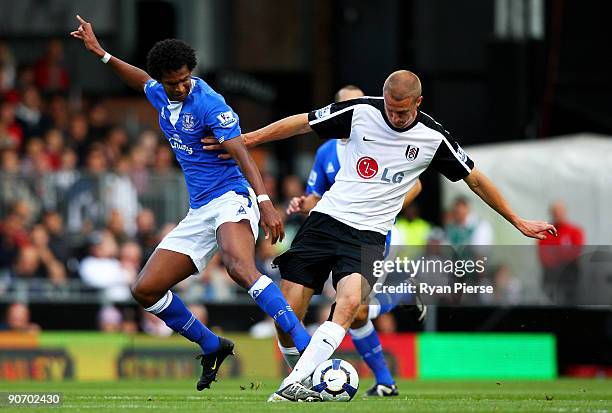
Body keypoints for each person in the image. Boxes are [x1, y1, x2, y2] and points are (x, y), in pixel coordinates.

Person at [205, 70, 557, 402]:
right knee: (286, 318)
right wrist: (248, 139)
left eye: (402, 111)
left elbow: (476, 179)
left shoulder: (434, 138)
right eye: (390, 107)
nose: (394, 116)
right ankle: (306, 376)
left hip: (368, 238)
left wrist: (516, 220)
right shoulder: (361, 111)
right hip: (325, 222)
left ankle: (292, 385)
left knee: (346, 307)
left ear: (418, 103)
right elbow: (302, 122)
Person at [70, 15, 311, 391]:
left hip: (232, 197)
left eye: (186, 78)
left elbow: (243, 155)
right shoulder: (160, 93)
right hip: (200, 210)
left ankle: (306, 345)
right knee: (144, 290)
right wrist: (101, 53)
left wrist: (265, 201)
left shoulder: (209, 103)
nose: (181, 86)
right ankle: (212, 345)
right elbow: (140, 79)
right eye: (173, 82)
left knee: (239, 267)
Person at [285, 85, 422, 397]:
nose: (356, 111)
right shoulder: (325, 152)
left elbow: (416, 185)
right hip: (334, 234)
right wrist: (301, 203)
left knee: (349, 308)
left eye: (360, 103)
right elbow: (315, 196)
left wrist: (388, 204)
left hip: (373, 235)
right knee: (355, 312)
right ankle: (386, 381)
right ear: (335, 111)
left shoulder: (385, 140)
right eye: (348, 105)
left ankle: (398, 296)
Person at [537, 200, 584, 303]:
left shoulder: (575, 231)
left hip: (570, 275)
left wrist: (555, 255)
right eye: (555, 211)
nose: (558, 214)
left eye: (560, 211)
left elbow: (576, 253)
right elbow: (543, 256)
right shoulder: (545, 233)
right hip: (551, 275)